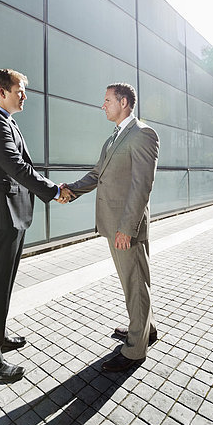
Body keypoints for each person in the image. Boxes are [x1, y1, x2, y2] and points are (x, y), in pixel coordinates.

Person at [0, 68, 70, 383]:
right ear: (2, 92)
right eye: (20, 90)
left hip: (10, 214)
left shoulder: (6, 123)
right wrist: (53, 191)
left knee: (3, 283)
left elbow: (20, 167)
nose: (25, 95)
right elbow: (15, 166)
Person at [61, 83, 159, 372]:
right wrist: (69, 190)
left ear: (124, 102)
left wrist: (127, 228)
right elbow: (97, 174)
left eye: (107, 100)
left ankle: (134, 351)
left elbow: (142, 186)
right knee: (135, 282)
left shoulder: (143, 134)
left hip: (126, 227)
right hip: (114, 224)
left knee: (134, 283)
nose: (102, 105)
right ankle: (145, 330)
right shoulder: (113, 139)